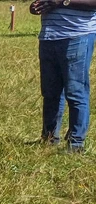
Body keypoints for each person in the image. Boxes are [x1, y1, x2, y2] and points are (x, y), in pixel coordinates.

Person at [30, 0, 96, 151]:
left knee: (75, 92)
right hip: (49, 36)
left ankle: (75, 144)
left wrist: (64, 2)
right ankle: (49, 139)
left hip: (77, 35)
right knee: (50, 93)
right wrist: (36, 7)